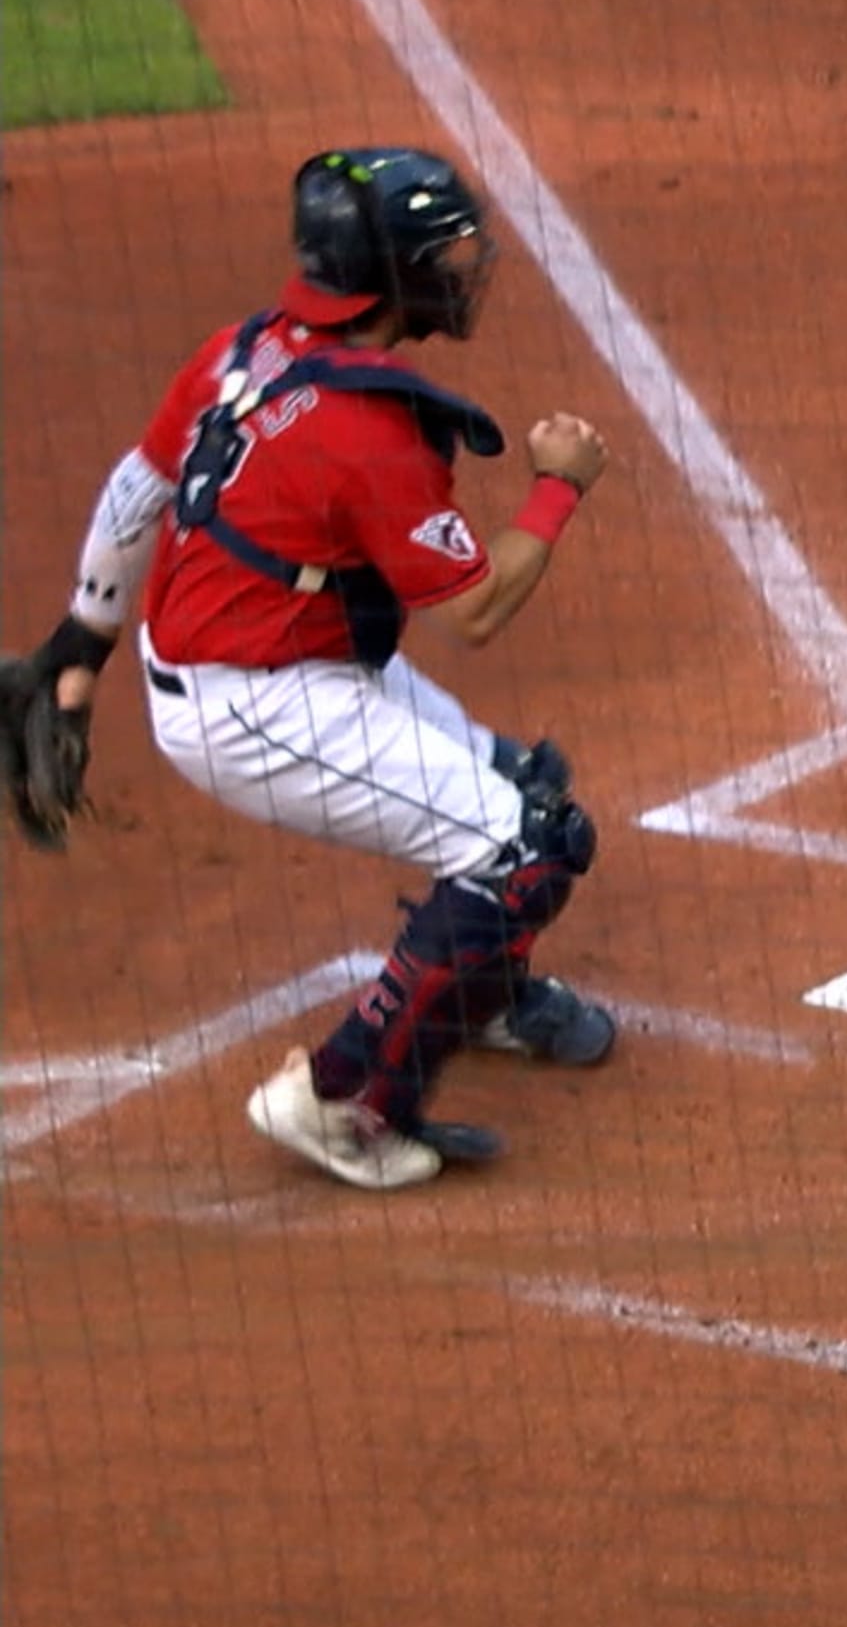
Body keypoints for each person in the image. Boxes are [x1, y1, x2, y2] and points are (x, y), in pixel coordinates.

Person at [13, 145, 617, 1190]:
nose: (465, 269)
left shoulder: (242, 351)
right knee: (524, 852)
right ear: (391, 275)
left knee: (528, 795)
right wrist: (558, 488)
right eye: (445, 254)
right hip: (253, 707)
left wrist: (80, 643)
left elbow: (136, 485)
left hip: (276, 657)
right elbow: (473, 608)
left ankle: (483, 996)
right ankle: (342, 1102)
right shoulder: (366, 433)